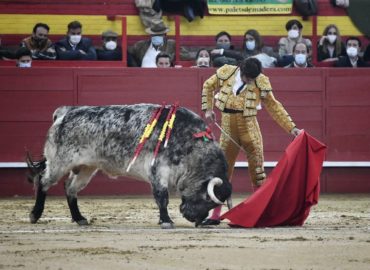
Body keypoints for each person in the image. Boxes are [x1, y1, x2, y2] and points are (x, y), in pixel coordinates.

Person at [201, 58, 302, 225]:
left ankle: (261, 211)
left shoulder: (260, 81)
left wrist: (292, 128)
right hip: (227, 125)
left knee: (258, 172)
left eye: (253, 79)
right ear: (241, 70)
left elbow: (274, 107)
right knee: (222, 171)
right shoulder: (227, 72)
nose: (250, 82)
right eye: (248, 78)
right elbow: (208, 85)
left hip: (249, 126)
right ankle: (215, 215)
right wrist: (208, 109)